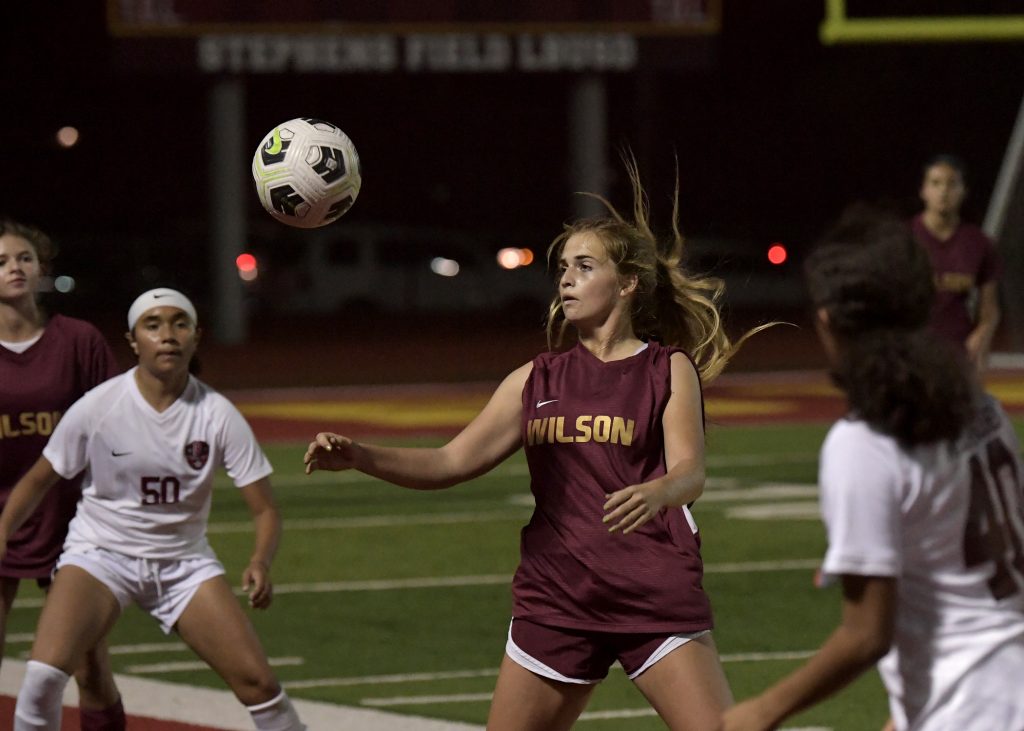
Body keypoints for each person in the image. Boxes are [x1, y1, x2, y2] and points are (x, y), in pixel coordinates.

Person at [306, 161, 768, 731]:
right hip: (557, 598)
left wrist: (661, 491)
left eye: (584, 267)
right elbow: (451, 461)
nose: (566, 279)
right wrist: (361, 456)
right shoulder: (535, 379)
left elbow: (691, 472)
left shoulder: (666, 369)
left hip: (650, 593)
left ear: (627, 284)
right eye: (563, 268)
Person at [719, 207, 1024, 731]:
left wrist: (760, 711)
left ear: (828, 320)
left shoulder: (864, 444)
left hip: (973, 709)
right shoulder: (982, 409)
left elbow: (866, 636)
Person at [0, 288, 305, 731]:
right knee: (44, 676)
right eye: (153, 324)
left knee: (259, 685)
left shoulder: (217, 414)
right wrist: (3, 530)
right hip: (100, 556)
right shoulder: (99, 406)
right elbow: (38, 480)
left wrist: (260, 560)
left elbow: (265, 510)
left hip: (183, 563)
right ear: (133, 340)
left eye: (180, 324)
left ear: (196, 337)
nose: (167, 335)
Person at [0, 218, 125, 729]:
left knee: (90, 668)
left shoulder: (78, 341)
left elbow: (117, 430)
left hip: (71, 523)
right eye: (1, 262)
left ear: (41, 267)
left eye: (24, 258)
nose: (14, 268)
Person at [910, 153, 1001, 370]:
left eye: (952, 184)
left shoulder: (979, 243)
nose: (943, 191)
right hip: (913, 353)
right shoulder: (904, 239)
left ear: (963, 191)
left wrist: (981, 335)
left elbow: (989, 308)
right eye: (935, 183)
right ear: (923, 190)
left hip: (958, 354)